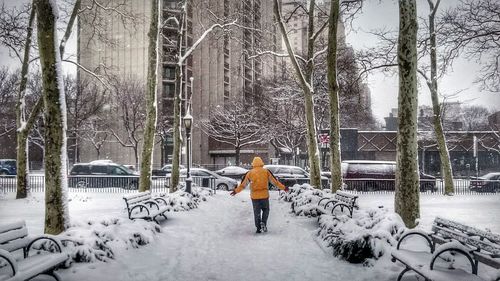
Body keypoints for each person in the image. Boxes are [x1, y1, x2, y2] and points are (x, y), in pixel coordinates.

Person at [230, 156, 288, 233]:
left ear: (253, 164)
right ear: (261, 163)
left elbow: (243, 185)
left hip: (254, 196)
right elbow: (275, 182)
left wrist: (235, 191)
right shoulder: (266, 171)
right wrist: (284, 188)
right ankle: (263, 222)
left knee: (256, 212)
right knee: (266, 210)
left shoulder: (250, 173)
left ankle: (258, 228)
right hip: (264, 195)